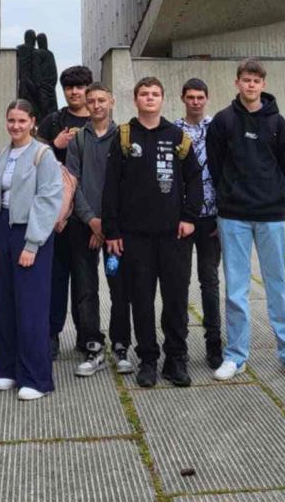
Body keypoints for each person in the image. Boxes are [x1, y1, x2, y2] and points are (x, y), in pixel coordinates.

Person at [206, 58, 285, 382]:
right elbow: (216, 165)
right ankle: (235, 356)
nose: (251, 85)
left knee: (278, 287)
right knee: (236, 290)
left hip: (270, 216)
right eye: (246, 80)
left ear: (263, 84)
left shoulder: (277, 122)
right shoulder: (223, 121)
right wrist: (228, 197)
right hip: (234, 216)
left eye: (256, 81)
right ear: (237, 82)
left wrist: (277, 200)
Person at [104, 77, 204, 388]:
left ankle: (176, 358)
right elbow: (111, 187)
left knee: (176, 300)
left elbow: (195, 179)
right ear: (135, 99)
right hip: (135, 237)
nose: (150, 98)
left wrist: (190, 217)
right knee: (142, 300)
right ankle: (148, 359)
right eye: (144, 94)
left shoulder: (178, 137)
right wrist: (112, 231)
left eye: (155, 94)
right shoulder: (123, 136)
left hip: (174, 236)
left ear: (163, 99)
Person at [0, 99, 65, 401]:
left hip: (30, 232)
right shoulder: (3, 154)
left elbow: (48, 199)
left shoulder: (43, 154)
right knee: (4, 302)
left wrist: (32, 243)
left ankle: (35, 377)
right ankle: (6, 368)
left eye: (21, 121)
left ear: (32, 122)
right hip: (2, 229)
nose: (15, 126)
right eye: (11, 120)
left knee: (31, 305)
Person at [64, 82, 125, 376]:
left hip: (115, 231)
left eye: (102, 100)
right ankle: (92, 344)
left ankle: (121, 344)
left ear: (111, 101)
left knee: (119, 286)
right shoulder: (78, 140)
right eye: (92, 101)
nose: (97, 105)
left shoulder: (124, 137)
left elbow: (128, 185)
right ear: (86, 105)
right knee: (85, 289)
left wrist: (108, 225)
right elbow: (72, 183)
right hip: (83, 226)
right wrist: (92, 220)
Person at [37, 64, 93, 358]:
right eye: (69, 87)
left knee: (85, 280)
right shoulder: (53, 121)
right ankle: (51, 334)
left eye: (80, 87)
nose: (74, 92)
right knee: (55, 278)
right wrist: (53, 144)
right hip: (56, 214)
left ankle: (87, 335)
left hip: (87, 214)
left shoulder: (98, 119)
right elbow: (32, 156)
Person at [174, 77, 223, 369]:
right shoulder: (174, 131)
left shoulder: (217, 128)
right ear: (183, 98)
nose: (195, 102)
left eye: (200, 97)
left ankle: (214, 343)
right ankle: (178, 346)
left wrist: (224, 214)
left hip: (212, 218)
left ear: (206, 98)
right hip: (183, 219)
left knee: (210, 281)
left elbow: (228, 170)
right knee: (179, 283)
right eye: (190, 97)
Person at [34, 32, 59, 117]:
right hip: (50, 85)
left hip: (43, 86)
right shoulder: (50, 54)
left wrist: (38, 84)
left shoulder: (37, 53)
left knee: (43, 109)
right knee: (51, 108)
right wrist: (52, 83)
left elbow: (36, 70)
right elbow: (54, 71)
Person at [15, 30, 41, 111]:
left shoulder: (19, 48)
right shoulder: (35, 51)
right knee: (32, 101)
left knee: (22, 99)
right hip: (31, 80)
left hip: (22, 78)